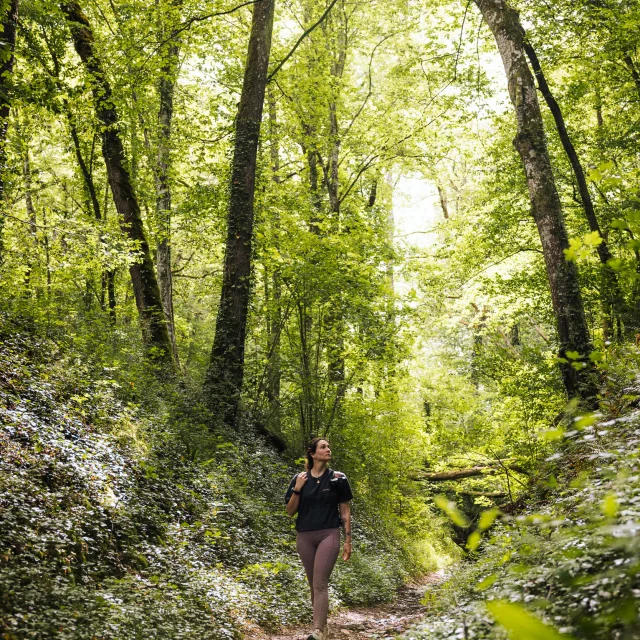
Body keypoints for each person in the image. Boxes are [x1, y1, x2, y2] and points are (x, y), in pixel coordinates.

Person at [284, 437, 353, 640]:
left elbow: (346, 513)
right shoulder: (300, 478)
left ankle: (317, 631)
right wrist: (297, 488)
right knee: (313, 583)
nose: (328, 449)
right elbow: (290, 512)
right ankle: (322, 626)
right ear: (313, 453)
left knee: (320, 583)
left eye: (329, 446)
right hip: (304, 536)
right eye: (323, 447)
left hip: (329, 534)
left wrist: (348, 541)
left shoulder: (338, 478)